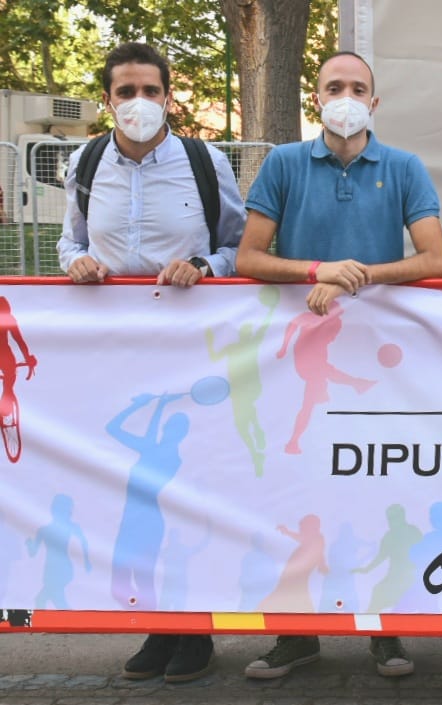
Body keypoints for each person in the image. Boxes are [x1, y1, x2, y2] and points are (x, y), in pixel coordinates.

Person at [235, 51, 442, 678]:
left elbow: (435, 258)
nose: (346, 97)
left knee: (378, 488)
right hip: (298, 360)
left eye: (358, 88)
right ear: (317, 98)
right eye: (335, 87)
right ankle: (296, 634)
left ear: (374, 103)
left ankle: (385, 630)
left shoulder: (404, 167)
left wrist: (357, 277)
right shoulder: (283, 163)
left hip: (377, 366)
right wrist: (314, 270)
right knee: (296, 492)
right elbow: (249, 256)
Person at [56, 41, 245, 684]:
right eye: (126, 92)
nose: (139, 102)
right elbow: (70, 240)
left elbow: (237, 246)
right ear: (107, 100)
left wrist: (204, 267)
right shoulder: (85, 162)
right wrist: (75, 263)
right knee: (132, 493)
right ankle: (158, 623)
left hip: (190, 350)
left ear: (168, 96)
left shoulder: (203, 162)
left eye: (150, 91)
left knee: (190, 488)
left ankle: (194, 630)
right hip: (117, 355)